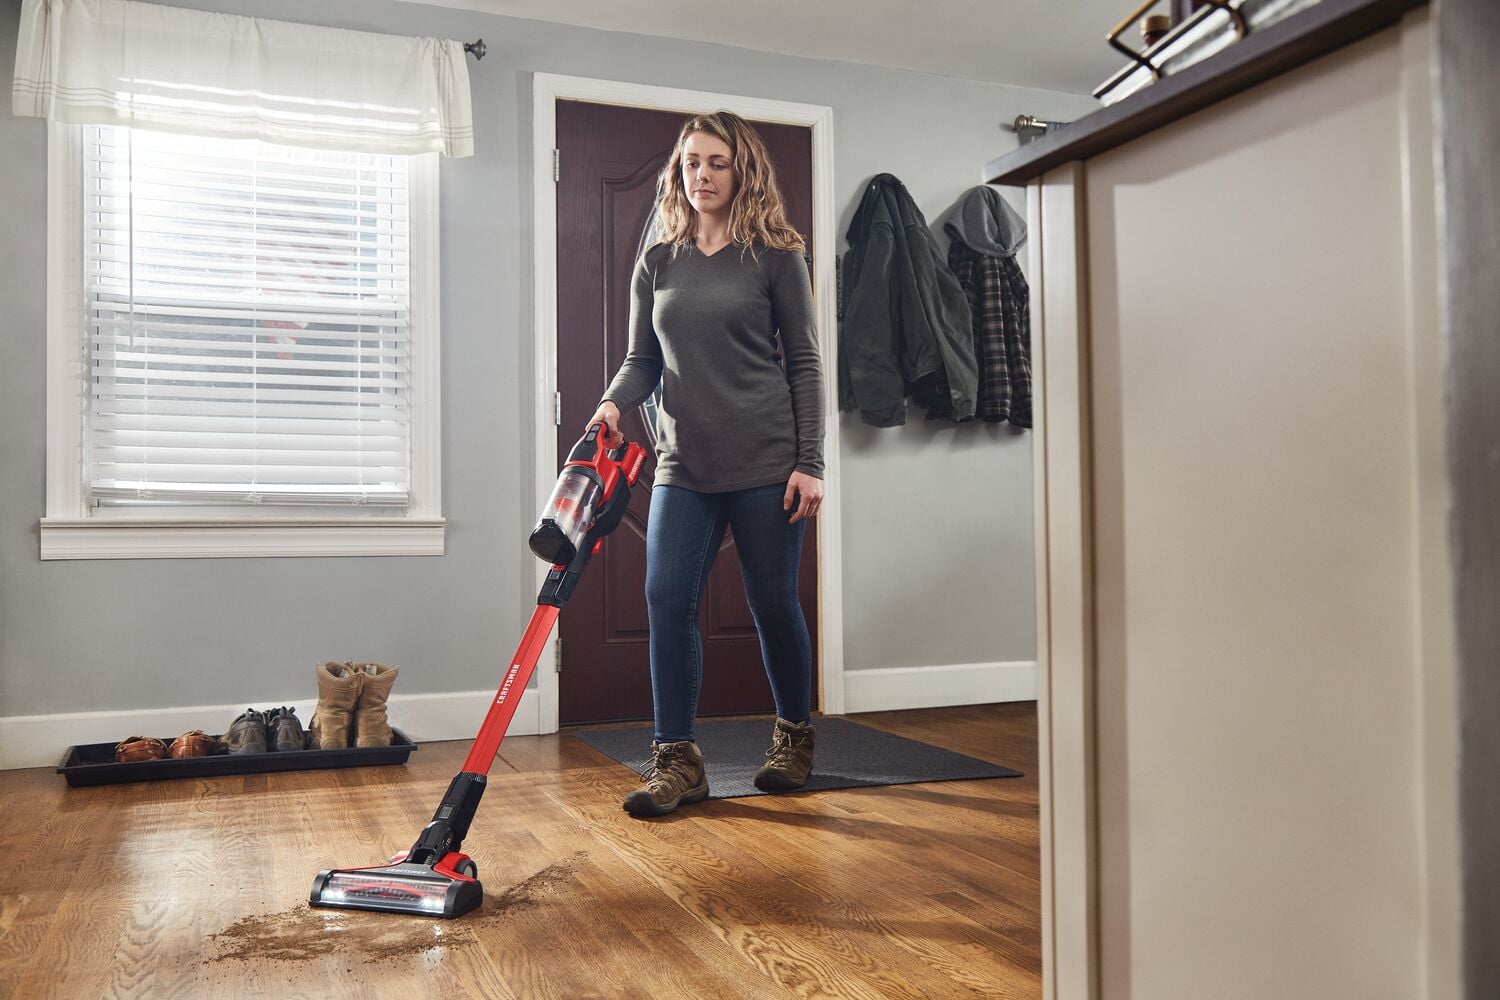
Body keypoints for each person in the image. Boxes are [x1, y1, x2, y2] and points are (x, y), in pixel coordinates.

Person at [589, 111, 825, 818]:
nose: (702, 175)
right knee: (666, 599)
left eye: (716, 162)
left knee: (773, 604)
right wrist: (610, 404)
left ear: (742, 170)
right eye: (691, 162)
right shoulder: (659, 261)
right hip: (682, 463)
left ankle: (793, 737)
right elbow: (642, 360)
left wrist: (809, 461)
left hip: (765, 459)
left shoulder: (777, 256)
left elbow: (806, 363)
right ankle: (677, 759)